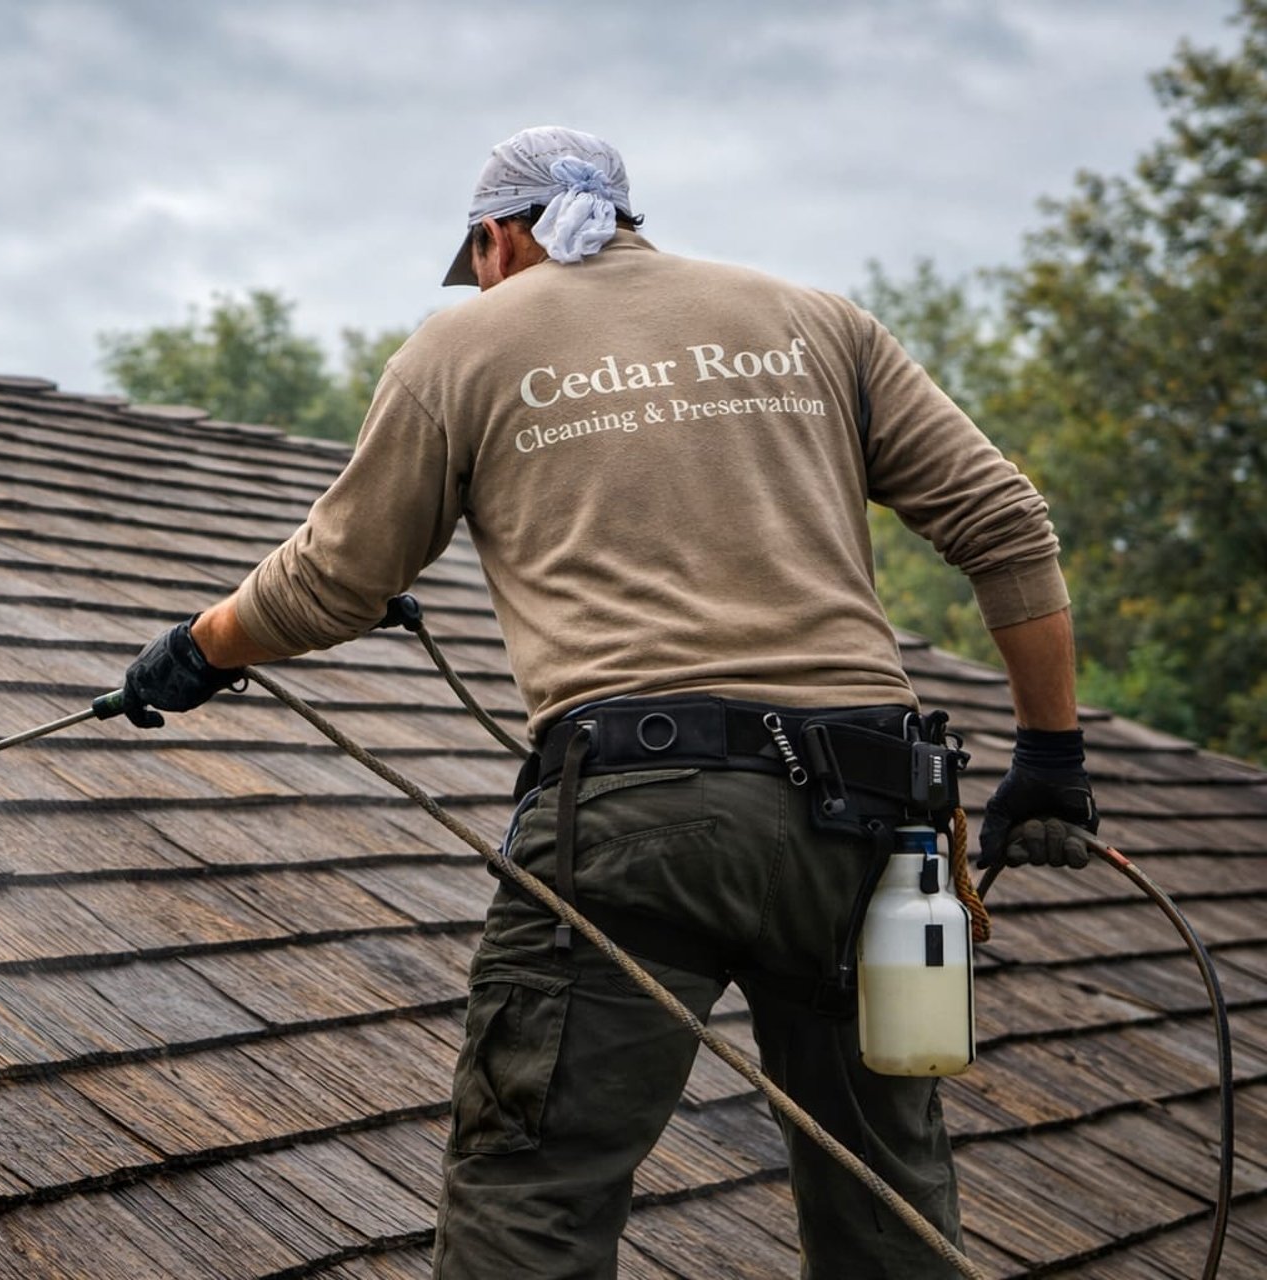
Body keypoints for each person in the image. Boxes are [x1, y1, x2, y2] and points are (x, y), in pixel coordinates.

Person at [119, 126, 1099, 1279]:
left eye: (478, 255)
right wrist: (1051, 756)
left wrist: (200, 647)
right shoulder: (816, 321)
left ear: (496, 236)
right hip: (870, 825)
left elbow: (335, 579)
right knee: (886, 1191)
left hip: (638, 817)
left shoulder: (463, 345)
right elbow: (1006, 523)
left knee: (535, 1181)